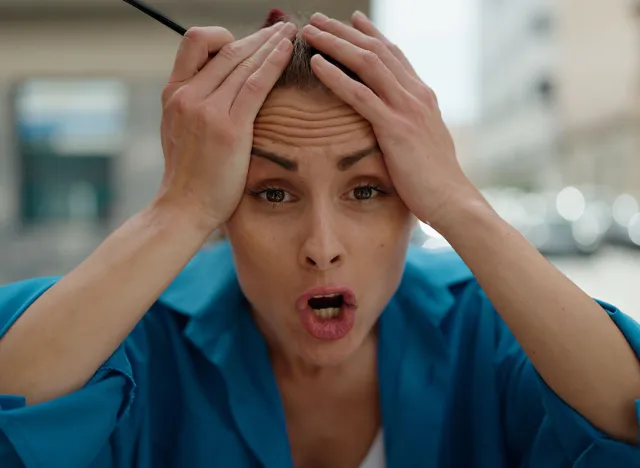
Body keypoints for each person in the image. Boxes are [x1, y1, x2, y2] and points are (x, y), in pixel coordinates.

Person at [0, 9, 639, 468]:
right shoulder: (132, 333)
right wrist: (179, 208)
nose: (322, 246)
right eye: (272, 194)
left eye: (367, 190)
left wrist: (458, 203)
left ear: (412, 204)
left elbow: (626, 425)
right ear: (224, 210)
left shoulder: (490, 329)